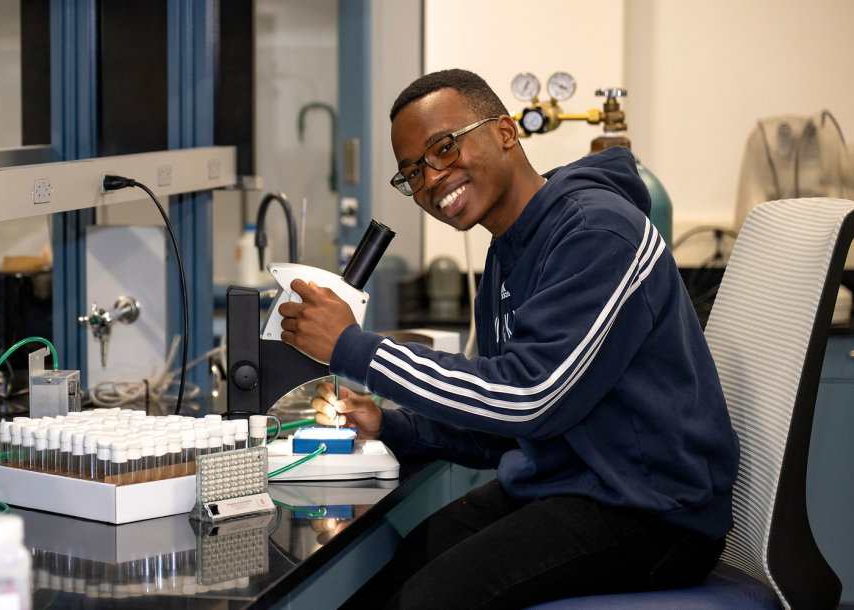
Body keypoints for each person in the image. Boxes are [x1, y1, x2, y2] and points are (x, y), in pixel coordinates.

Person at [277, 69, 739, 610]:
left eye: (443, 149)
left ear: (504, 131)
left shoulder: (596, 232)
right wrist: (395, 426)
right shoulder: (506, 253)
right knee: (392, 574)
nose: (431, 180)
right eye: (412, 173)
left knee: (426, 601)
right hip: (569, 486)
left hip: (652, 512)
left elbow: (530, 398)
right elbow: (502, 424)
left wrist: (353, 347)